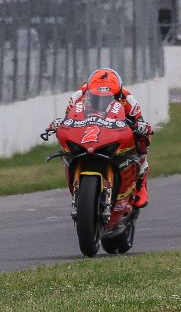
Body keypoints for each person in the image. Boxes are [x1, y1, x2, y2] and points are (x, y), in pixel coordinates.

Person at [46, 67, 153, 208]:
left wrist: (142, 127)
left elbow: (140, 122)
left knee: (142, 139)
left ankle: (141, 182)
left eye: (112, 96)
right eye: (96, 97)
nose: (103, 100)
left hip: (115, 133)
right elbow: (68, 118)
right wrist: (57, 124)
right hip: (88, 133)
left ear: (119, 93)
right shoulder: (78, 96)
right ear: (89, 92)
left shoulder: (129, 100)